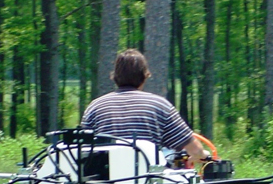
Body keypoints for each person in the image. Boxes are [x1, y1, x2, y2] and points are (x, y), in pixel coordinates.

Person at [81, 49, 209, 163]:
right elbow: (195, 150)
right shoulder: (160, 106)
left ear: (114, 76)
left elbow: (82, 150)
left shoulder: (95, 107)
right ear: (144, 76)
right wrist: (203, 155)